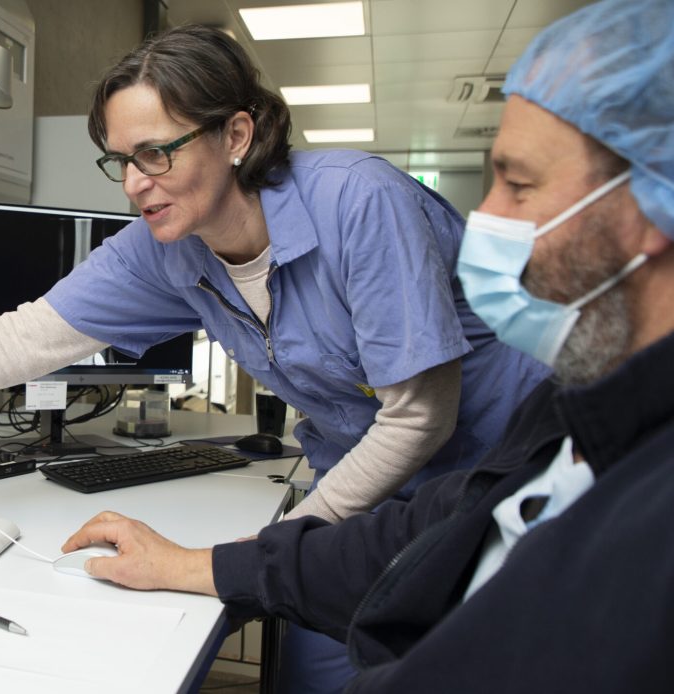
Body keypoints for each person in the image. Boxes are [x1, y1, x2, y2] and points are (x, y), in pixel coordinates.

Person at [0, 23, 547, 692]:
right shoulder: (167, 248)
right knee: (315, 669)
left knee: (438, 661)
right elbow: (28, 335)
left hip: (485, 463)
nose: (137, 185)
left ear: (236, 136)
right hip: (357, 475)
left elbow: (421, 416)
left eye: (157, 154)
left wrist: (268, 553)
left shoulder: (358, 202)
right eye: (122, 162)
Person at [61, 0, 674, 690]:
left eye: (521, 185)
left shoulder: (636, 525)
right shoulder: (567, 426)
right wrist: (199, 565)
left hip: (446, 459)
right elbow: (432, 528)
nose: (485, 221)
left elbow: (425, 442)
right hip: (396, 500)